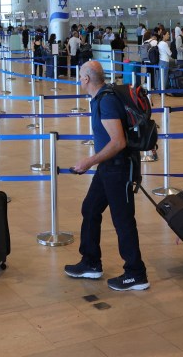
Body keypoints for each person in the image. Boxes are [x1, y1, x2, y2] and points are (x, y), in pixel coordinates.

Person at [65, 61, 148, 291]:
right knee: (90, 209)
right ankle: (91, 262)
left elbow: (119, 141)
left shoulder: (107, 101)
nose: (78, 79)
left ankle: (136, 272)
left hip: (117, 169)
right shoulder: (100, 98)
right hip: (107, 168)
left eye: (80, 76)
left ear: (86, 79)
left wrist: (88, 161)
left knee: (123, 220)